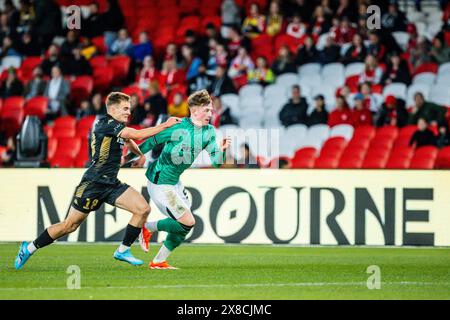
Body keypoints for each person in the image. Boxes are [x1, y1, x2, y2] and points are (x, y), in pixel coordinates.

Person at [14, 92, 181, 270]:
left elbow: (129, 139)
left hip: (111, 183)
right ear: (113, 109)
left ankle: (123, 250)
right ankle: (29, 247)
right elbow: (136, 135)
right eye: (125, 108)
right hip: (93, 184)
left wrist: (139, 156)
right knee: (69, 226)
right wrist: (165, 124)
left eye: (129, 109)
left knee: (143, 209)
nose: (128, 112)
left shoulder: (117, 127)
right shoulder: (106, 123)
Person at [138, 90, 231, 269]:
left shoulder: (209, 132)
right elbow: (152, 141)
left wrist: (222, 149)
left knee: (184, 226)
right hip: (159, 181)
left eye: (211, 111)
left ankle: (158, 262)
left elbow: (218, 163)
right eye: (207, 110)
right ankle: (146, 227)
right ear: (194, 110)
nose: (210, 114)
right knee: (188, 221)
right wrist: (132, 157)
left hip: (174, 183)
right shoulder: (178, 126)